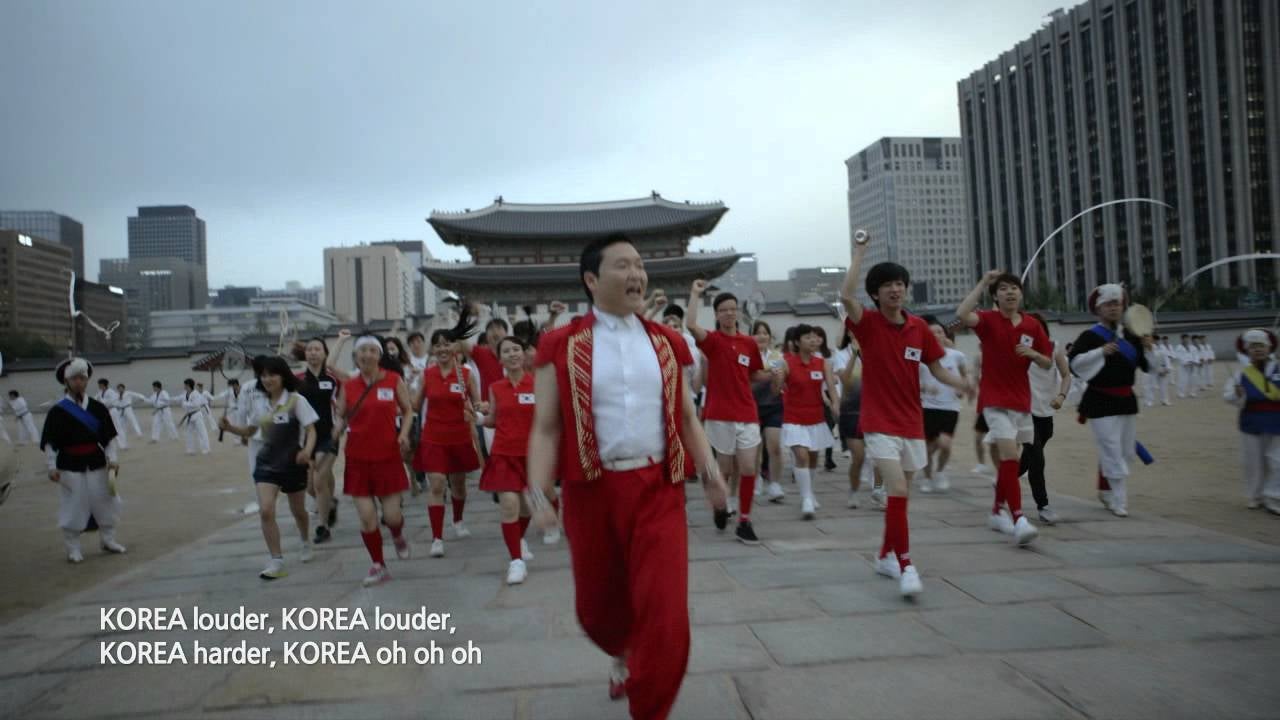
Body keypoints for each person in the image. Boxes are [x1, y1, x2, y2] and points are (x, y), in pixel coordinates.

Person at [527, 234, 725, 717]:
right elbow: (546, 427)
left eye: (639, 265)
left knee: (665, 613)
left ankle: (649, 706)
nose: (636, 274)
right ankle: (622, 650)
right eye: (622, 265)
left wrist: (710, 471)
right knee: (597, 610)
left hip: (658, 491)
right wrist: (538, 492)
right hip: (591, 493)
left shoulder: (667, 343)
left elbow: (686, 416)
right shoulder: (560, 344)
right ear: (591, 280)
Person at [840, 233, 968, 598]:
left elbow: (937, 367)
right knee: (895, 489)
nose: (895, 290)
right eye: (887, 285)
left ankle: (884, 556)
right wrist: (860, 253)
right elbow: (846, 296)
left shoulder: (919, 329)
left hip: (912, 422)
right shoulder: (866, 323)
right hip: (878, 422)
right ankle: (906, 565)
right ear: (876, 293)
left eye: (900, 284)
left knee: (901, 497)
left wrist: (963, 383)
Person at [956, 271, 1052, 546]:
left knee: (1010, 462)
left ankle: (998, 511)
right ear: (995, 296)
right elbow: (962, 314)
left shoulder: (1033, 325)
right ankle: (1019, 518)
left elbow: (1047, 362)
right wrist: (983, 282)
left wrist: (1034, 354)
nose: (1010, 292)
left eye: (1015, 288)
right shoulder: (987, 320)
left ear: (1021, 293)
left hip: (1021, 402)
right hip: (994, 400)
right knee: (1010, 456)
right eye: (1004, 289)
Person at [687, 278, 773, 545]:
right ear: (716, 314)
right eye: (723, 310)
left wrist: (772, 373)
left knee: (748, 467)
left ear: (738, 312)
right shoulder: (713, 341)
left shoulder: (748, 342)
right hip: (720, 415)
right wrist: (694, 293)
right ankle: (720, 506)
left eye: (732, 309)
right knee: (724, 469)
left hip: (747, 413)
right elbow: (690, 325)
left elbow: (754, 374)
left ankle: (744, 521)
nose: (729, 313)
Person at [220, 356, 318, 580]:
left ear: (283, 376)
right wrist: (230, 428)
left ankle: (305, 540)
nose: (267, 379)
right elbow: (251, 431)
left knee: (298, 511)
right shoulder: (259, 403)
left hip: (292, 463)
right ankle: (276, 560)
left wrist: (307, 451)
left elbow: (311, 430)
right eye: (263, 375)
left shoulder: (296, 400)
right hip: (266, 463)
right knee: (265, 509)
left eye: (272, 374)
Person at [331, 334, 415, 585]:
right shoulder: (348, 385)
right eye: (362, 351)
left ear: (379, 356)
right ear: (356, 356)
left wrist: (403, 434)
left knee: (392, 516)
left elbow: (408, 410)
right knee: (367, 518)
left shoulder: (393, 380)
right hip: (357, 458)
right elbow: (342, 415)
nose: (367, 355)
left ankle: (397, 535)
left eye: (372, 350)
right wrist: (337, 429)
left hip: (387, 456)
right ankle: (378, 565)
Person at [1068, 283, 1153, 518]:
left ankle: (1106, 491)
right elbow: (1074, 363)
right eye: (1108, 304)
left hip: (1127, 401)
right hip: (1099, 400)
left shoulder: (1132, 336)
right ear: (1098, 309)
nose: (1114, 308)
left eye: (1117, 303)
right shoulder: (1089, 336)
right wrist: (1100, 352)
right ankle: (1119, 499)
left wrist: (1149, 349)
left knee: (1124, 451)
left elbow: (1149, 367)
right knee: (1111, 448)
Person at [41, 358, 125, 562]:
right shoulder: (58, 411)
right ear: (66, 381)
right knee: (74, 505)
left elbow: (109, 439)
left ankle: (108, 539)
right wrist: (51, 466)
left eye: (82, 378)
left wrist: (113, 459)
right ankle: (73, 547)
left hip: (96, 461)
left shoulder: (98, 408)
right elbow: (50, 442)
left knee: (105, 499)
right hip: (69, 464)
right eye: (75, 378)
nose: (79, 382)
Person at [414, 328, 486, 558]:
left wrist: (477, 410)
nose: (442, 349)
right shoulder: (426, 375)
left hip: (459, 436)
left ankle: (458, 519)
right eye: (438, 345)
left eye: (447, 344)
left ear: (454, 347)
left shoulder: (466, 374)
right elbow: (414, 405)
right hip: (433, 436)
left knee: (458, 484)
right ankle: (437, 538)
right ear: (432, 349)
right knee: (436, 484)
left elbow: (478, 403)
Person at [480, 335, 539, 584]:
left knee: (526, 509)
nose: (512, 354)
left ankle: (518, 539)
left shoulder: (537, 384)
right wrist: (478, 418)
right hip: (503, 454)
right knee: (509, 504)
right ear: (500, 358)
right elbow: (493, 420)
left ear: (523, 354)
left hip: (531, 456)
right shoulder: (496, 388)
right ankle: (516, 562)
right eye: (506, 351)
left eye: (516, 349)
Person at [775, 324, 839, 520]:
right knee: (801, 456)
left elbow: (831, 387)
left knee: (812, 458)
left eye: (814, 337)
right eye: (807, 337)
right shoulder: (786, 363)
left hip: (816, 418)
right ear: (797, 342)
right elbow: (776, 390)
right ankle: (806, 499)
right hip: (794, 418)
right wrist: (777, 378)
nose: (813, 340)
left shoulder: (822, 363)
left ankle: (809, 492)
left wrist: (835, 405)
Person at [1017, 313, 1072, 524]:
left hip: (1046, 411)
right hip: (1025, 411)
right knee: (1037, 459)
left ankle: (1004, 480)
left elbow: (1066, 375)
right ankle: (1043, 506)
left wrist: (1061, 396)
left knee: (1030, 457)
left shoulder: (1054, 348)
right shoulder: (1020, 348)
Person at [1223, 329, 1280, 515]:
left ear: (1269, 348)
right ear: (1247, 351)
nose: (1258, 350)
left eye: (1261, 346)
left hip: (1277, 421)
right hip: (1251, 421)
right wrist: (1238, 395)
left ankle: (1274, 497)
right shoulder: (1241, 373)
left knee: (1277, 461)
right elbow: (1229, 397)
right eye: (1253, 347)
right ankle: (1255, 496)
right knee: (1253, 462)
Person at [296, 337, 345, 544]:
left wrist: (339, 425)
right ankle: (330, 503)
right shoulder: (297, 380)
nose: (313, 352)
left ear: (325, 353)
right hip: (306, 439)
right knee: (311, 487)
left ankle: (322, 527)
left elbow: (342, 408)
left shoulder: (334, 380)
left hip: (329, 436)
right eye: (309, 349)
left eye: (317, 349)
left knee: (319, 480)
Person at [917, 316, 968, 494]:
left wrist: (962, 388)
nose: (937, 335)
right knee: (927, 448)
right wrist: (925, 387)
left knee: (945, 444)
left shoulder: (957, 356)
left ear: (945, 334)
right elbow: (910, 381)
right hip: (927, 407)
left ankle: (940, 472)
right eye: (932, 333)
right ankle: (927, 478)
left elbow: (964, 375)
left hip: (950, 407)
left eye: (940, 332)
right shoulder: (920, 357)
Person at [834, 329, 872, 508]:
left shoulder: (876, 350)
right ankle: (854, 490)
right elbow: (846, 380)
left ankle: (878, 490)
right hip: (852, 411)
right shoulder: (841, 355)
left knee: (880, 457)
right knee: (859, 457)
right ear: (849, 333)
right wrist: (855, 355)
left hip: (876, 411)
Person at [751, 321, 787, 502]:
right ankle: (756, 478)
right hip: (751, 406)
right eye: (757, 333)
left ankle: (775, 484)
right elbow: (747, 383)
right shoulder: (747, 356)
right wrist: (765, 374)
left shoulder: (778, 357)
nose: (761, 336)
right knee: (755, 449)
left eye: (765, 333)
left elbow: (777, 389)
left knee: (774, 446)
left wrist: (777, 378)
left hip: (773, 406)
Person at [179, 379, 211, 455]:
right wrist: (184, 404)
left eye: (185, 385)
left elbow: (196, 404)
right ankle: (190, 449)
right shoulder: (185, 394)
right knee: (189, 433)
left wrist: (185, 404)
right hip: (190, 416)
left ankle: (206, 449)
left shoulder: (196, 394)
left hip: (197, 415)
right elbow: (182, 402)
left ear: (188, 385)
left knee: (202, 432)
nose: (184, 386)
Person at [96, 379, 128, 451]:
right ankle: (109, 444)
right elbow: (96, 399)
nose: (99, 386)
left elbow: (110, 401)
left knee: (117, 427)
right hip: (105, 412)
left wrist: (101, 401)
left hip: (112, 410)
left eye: (100, 385)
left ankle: (123, 445)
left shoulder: (111, 392)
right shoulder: (100, 393)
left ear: (103, 385)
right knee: (108, 429)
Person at [1175, 334, 1197, 398]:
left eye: (1187, 339)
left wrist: (1195, 361)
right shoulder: (1178, 347)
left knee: (1193, 379)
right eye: (1185, 339)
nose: (1186, 340)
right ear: (1182, 339)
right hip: (1183, 366)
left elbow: (1196, 355)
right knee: (1182, 379)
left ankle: (1192, 392)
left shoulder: (1192, 347)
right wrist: (1186, 362)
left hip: (1192, 365)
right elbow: (1178, 356)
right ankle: (1181, 393)